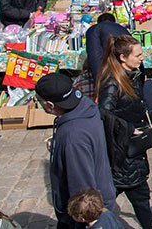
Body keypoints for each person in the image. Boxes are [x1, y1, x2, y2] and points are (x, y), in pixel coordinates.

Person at [95, 35, 152, 229]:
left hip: (131, 147)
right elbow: (104, 113)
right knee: (136, 195)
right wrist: (129, 129)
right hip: (123, 149)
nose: (141, 58)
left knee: (132, 195)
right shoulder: (113, 83)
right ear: (122, 57)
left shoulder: (133, 75)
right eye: (137, 55)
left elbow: (139, 104)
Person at [35, 72, 117, 229]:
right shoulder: (84, 105)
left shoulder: (72, 138)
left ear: (50, 105)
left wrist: (79, 219)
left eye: (39, 102)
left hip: (85, 215)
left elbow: (81, 187)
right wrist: (59, 145)